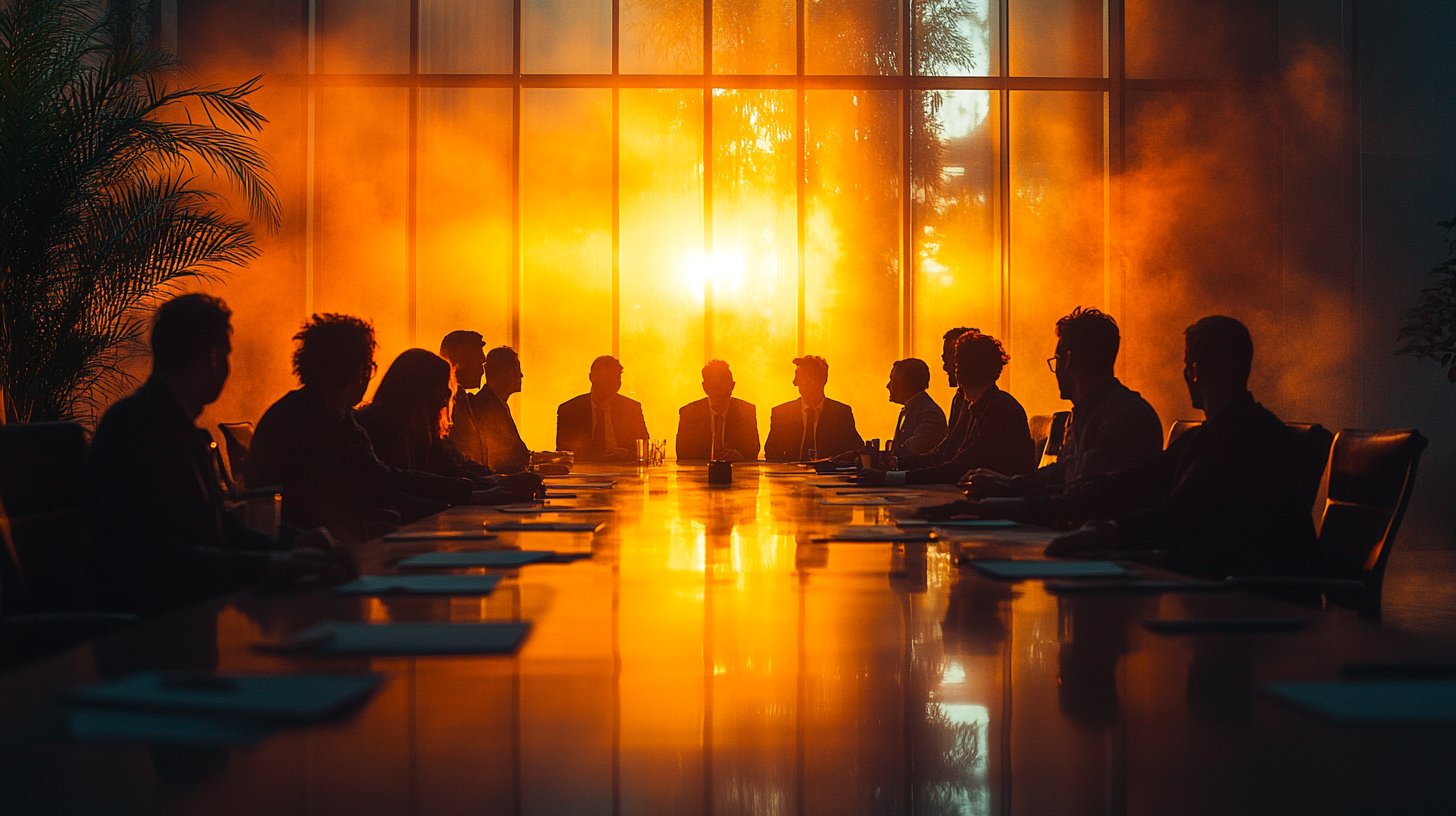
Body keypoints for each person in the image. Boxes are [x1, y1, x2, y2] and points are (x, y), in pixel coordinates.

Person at [983, 316, 1321, 579]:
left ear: (1194, 372)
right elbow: (1132, 483)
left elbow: (1173, 514)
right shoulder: (1241, 432)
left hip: (1242, 601)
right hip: (1232, 590)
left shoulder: (1230, 439)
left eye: (1187, 363)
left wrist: (1108, 533)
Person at [88, 294, 352, 616]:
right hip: (154, 627)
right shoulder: (141, 427)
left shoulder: (158, 421)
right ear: (212, 357)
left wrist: (294, 544)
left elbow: (216, 526)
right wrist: (269, 564)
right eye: (226, 354)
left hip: (186, 615)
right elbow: (157, 556)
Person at [244, 314, 482, 539]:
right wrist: (459, 500)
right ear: (359, 370)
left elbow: (381, 478)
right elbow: (369, 486)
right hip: (312, 554)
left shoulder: (331, 417)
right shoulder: (302, 423)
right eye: (369, 367)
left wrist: (462, 495)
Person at [961, 307, 1162, 500]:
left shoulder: (1123, 418)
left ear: (1067, 360)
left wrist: (1000, 502)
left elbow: (1081, 499)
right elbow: (1062, 472)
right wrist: (1008, 484)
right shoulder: (1104, 412)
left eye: (1056, 360)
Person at [356, 349, 541, 502]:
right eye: (441, 386)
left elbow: (452, 466)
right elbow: (398, 485)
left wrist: (497, 481)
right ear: (418, 389)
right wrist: (477, 492)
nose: (447, 394)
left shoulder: (422, 429)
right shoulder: (381, 428)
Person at [860, 330, 1034, 484]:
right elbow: (945, 454)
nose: (946, 367)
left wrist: (890, 477)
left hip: (993, 504)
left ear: (960, 369)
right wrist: (894, 465)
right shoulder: (986, 405)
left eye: (954, 362)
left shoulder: (998, 411)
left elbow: (958, 467)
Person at [763, 355, 863, 461]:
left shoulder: (840, 414)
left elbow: (856, 449)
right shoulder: (782, 414)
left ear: (820, 380)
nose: (795, 383)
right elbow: (771, 453)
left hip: (828, 472)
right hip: (791, 472)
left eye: (801, 378)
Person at [556, 355, 650, 461]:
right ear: (592, 377)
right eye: (607, 377)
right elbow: (564, 451)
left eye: (616, 378)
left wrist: (626, 454)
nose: (613, 384)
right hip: (583, 469)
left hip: (622, 468)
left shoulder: (631, 409)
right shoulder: (570, 410)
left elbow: (643, 444)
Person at [676, 359, 760, 461]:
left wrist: (739, 458)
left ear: (732, 386)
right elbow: (682, 453)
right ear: (705, 387)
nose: (720, 390)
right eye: (715, 384)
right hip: (701, 470)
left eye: (723, 384)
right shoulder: (689, 413)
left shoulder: (746, 412)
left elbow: (752, 451)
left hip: (735, 470)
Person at [885, 357, 947, 460]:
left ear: (907, 383)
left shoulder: (930, 414)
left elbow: (914, 450)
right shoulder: (913, 410)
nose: (888, 385)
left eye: (893, 379)